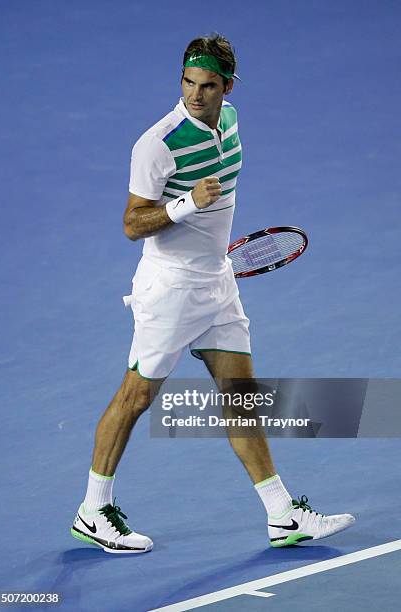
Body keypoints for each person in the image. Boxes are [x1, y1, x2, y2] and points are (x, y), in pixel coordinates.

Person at [71, 33, 355, 553]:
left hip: (216, 284)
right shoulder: (156, 144)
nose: (194, 95)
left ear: (227, 86)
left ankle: (281, 514)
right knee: (137, 396)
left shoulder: (231, 120)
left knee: (241, 397)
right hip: (171, 291)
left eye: (206, 85)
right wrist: (184, 205)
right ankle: (93, 510)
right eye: (187, 82)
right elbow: (133, 224)